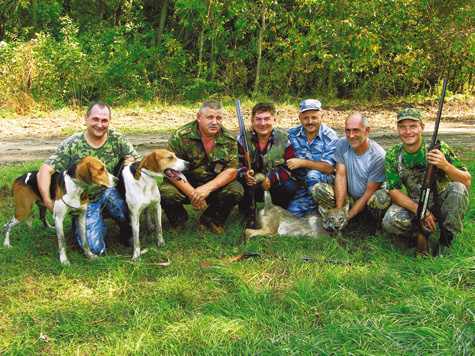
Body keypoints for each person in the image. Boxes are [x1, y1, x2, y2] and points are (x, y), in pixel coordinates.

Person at [37, 101, 140, 255]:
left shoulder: (117, 139)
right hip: (83, 200)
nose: (100, 124)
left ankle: (127, 232)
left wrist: (133, 164)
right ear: (86, 118)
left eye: (104, 120)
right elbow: (44, 171)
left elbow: (140, 162)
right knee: (94, 249)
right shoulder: (72, 144)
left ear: (109, 121)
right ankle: (81, 223)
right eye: (95, 119)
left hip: (107, 191)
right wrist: (47, 201)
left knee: (121, 206)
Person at [382, 108, 470, 252]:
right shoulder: (393, 154)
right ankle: (420, 233)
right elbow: (395, 192)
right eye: (403, 127)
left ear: (421, 128)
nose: (408, 131)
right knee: (390, 221)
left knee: (458, 190)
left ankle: (446, 239)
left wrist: (445, 165)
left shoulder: (438, 149)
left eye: (413, 126)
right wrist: (421, 211)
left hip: (441, 201)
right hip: (416, 203)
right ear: (397, 129)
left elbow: (466, 181)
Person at [159, 100, 243, 235]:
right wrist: (194, 194)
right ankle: (179, 219)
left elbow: (231, 171)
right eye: (209, 117)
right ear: (199, 117)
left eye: (218, 118)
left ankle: (212, 218)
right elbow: (169, 170)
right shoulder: (181, 136)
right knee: (165, 193)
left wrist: (207, 189)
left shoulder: (229, 139)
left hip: (212, 187)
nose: (214, 122)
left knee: (236, 190)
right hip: (185, 185)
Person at [312, 112, 391, 227]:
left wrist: (348, 217)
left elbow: (369, 193)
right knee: (319, 189)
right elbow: (341, 176)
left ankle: (374, 224)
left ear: (366, 130)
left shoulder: (378, 156)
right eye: (348, 130)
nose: (351, 135)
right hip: (349, 198)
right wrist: (340, 212)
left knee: (380, 200)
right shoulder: (342, 144)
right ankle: (336, 219)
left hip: (368, 201)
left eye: (356, 130)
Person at [237, 102, 298, 220]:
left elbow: (289, 169)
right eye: (258, 119)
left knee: (290, 186)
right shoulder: (243, 138)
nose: (262, 123)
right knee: (238, 184)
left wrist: (271, 179)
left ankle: (277, 211)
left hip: (273, 185)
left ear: (274, 120)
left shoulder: (284, 139)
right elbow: (235, 164)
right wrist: (244, 173)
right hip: (250, 185)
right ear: (252, 120)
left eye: (267, 119)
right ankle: (246, 211)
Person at [286, 99, 339, 216]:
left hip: (323, 183)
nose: (310, 122)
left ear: (321, 116)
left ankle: (315, 215)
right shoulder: (291, 134)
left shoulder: (330, 137)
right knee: (292, 213)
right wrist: (253, 128)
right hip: (301, 183)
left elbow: (329, 168)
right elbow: (271, 135)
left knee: (313, 175)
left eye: (314, 117)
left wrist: (302, 162)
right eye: (306, 118)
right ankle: (305, 204)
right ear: (300, 118)